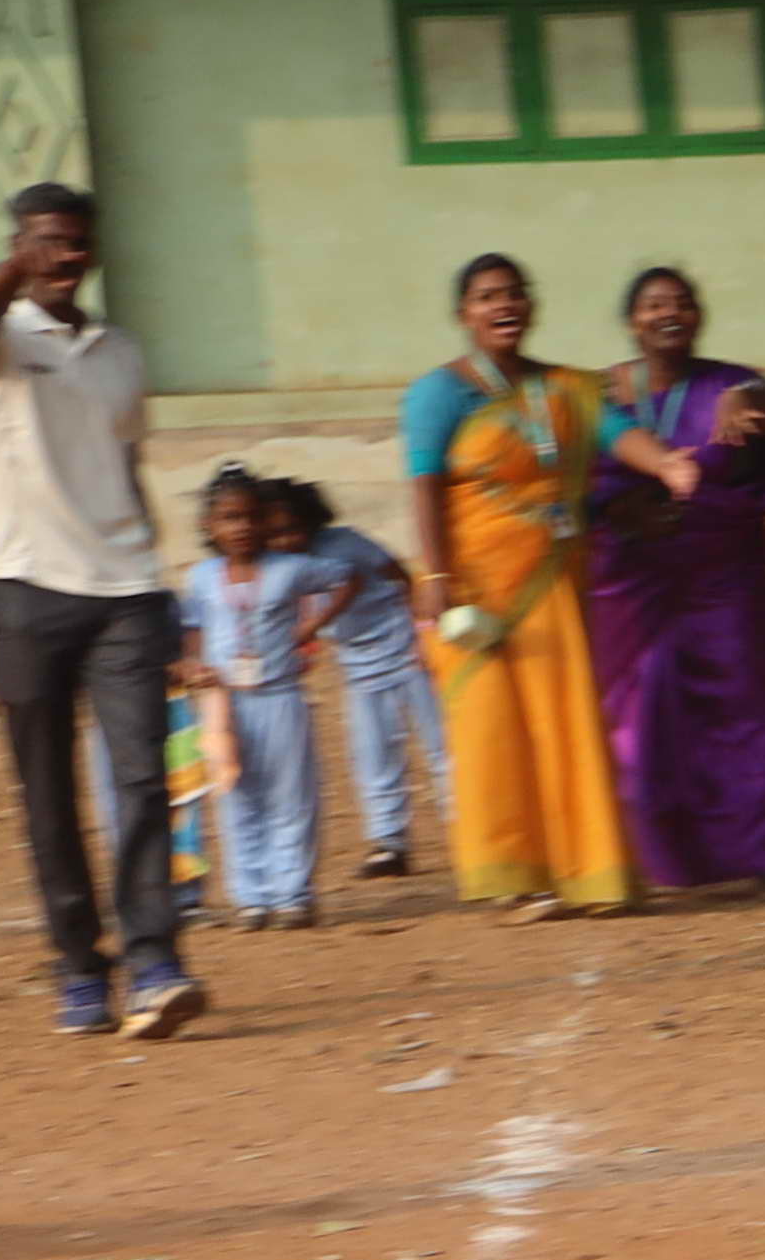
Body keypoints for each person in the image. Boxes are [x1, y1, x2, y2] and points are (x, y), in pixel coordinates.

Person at [0, 181, 196, 1031]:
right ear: (19, 245)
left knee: (143, 780)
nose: (65, 256)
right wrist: (5, 278)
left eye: (76, 241)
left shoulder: (121, 351)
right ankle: (79, 965)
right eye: (46, 241)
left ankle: (155, 961)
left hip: (125, 591)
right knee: (46, 791)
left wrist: (163, 585)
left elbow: (125, 472)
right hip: (22, 591)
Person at [398, 251, 645, 918]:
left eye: (512, 294)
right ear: (464, 315)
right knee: (489, 728)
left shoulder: (566, 388)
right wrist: (439, 574)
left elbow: (618, 433)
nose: (501, 306)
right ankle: (518, 873)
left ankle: (587, 872)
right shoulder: (437, 394)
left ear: (530, 306)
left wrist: (673, 464)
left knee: (562, 720)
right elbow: (424, 485)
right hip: (470, 588)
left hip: (549, 581)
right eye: (485, 297)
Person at [585, 264, 765, 893]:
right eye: (653, 305)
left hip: (721, 578)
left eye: (680, 303)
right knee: (642, 711)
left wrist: (754, 397)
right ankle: (659, 859)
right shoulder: (602, 393)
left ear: (699, 316)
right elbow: (576, 477)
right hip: (635, 579)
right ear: (631, 321)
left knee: (741, 707)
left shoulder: (733, 383)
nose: (667, 313)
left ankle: (747, 855)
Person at [272, 479, 445, 882]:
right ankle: (388, 842)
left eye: (291, 530)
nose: (284, 541)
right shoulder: (283, 566)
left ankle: (467, 826)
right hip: (358, 669)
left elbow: (400, 574)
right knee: (372, 754)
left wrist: (424, 633)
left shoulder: (346, 544)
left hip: (404, 653)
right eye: (275, 534)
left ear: (313, 522)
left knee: (440, 744)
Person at [186, 466, 335, 931]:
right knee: (235, 795)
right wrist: (194, 666)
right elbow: (193, 629)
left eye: (250, 517)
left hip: (280, 695)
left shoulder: (291, 570)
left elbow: (346, 577)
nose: (241, 528)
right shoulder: (203, 578)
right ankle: (250, 896)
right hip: (225, 704)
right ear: (210, 526)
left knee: (291, 795)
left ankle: (292, 893)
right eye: (230, 518)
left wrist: (311, 626)